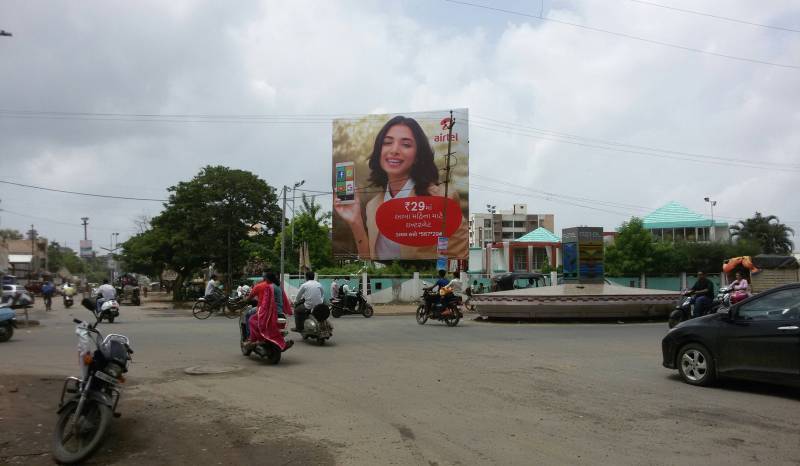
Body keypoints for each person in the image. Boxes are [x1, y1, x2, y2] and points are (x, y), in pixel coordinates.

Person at [333, 115, 468, 260]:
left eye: (406, 144)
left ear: (417, 156)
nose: (394, 150)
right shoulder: (373, 206)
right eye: (387, 142)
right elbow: (371, 261)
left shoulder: (442, 197)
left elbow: (459, 256)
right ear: (379, 151)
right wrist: (356, 222)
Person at [245, 271, 293, 351]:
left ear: (268, 278)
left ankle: (254, 339)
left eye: (265, 278)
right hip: (280, 312)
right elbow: (284, 301)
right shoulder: (279, 287)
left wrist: (260, 312)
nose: (265, 279)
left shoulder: (269, 287)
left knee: (251, 320)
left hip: (271, 313)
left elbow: (266, 303)